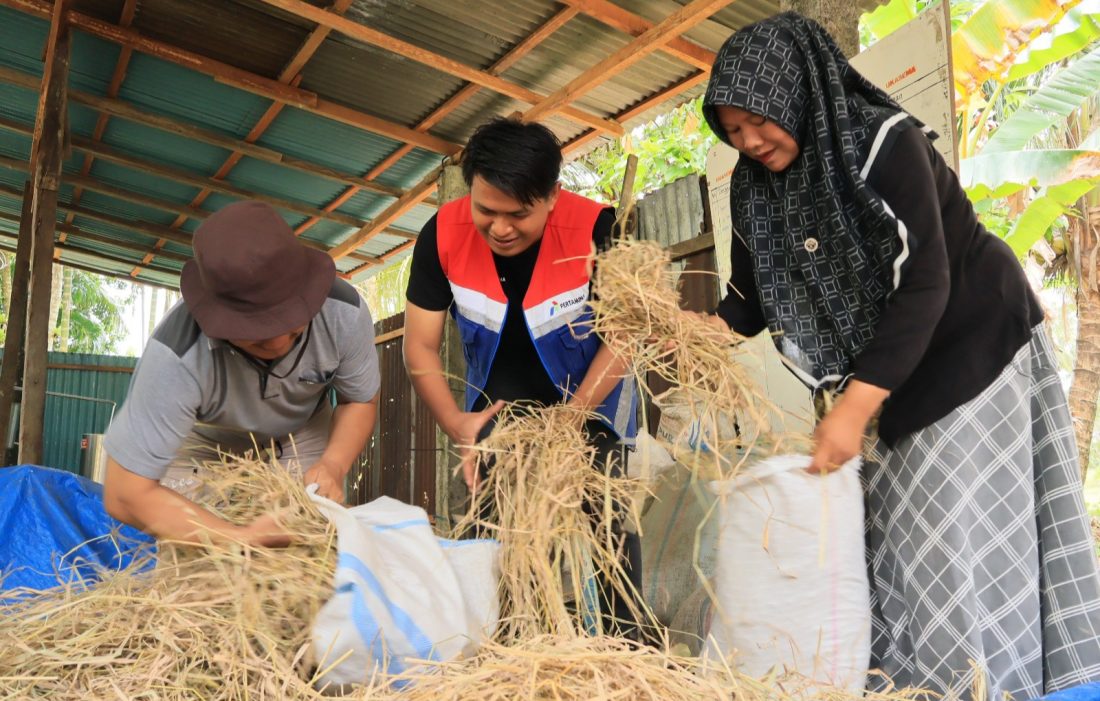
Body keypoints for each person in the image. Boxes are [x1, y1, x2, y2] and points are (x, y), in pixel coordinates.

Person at [699, 12, 1100, 699]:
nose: (750, 141)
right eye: (732, 130)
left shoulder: (885, 142)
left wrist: (854, 407)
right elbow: (747, 303)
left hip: (970, 345)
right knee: (896, 556)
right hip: (887, 373)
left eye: (758, 120)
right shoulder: (754, 188)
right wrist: (681, 335)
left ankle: (992, 684)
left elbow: (927, 282)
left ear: (795, 91)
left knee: (953, 547)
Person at [402, 117, 641, 635]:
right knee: (492, 547)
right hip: (496, 417)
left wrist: (572, 420)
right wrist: (456, 424)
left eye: (519, 214)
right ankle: (508, 657)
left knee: (609, 541)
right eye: (486, 210)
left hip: (590, 408)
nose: (501, 228)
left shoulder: (600, 229)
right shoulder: (440, 234)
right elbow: (419, 345)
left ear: (553, 196)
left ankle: (629, 655)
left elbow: (625, 335)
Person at [103, 200, 381, 547]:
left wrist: (333, 464)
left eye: (293, 325)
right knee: (199, 563)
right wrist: (236, 540)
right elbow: (124, 492)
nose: (279, 342)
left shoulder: (345, 314)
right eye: (258, 331)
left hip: (302, 433)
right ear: (217, 317)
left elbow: (360, 400)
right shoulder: (177, 355)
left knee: (308, 547)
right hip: (205, 441)